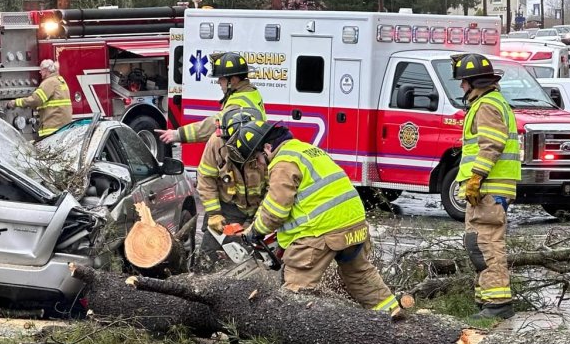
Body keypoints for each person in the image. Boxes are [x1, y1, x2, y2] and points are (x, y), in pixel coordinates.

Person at [233, 120, 401, 314]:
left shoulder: (283, 162)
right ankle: (394, 319)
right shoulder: (305, 150)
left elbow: (276, 211)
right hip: (354, 224)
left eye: (257, 159)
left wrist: (255, 231)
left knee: (296, 291)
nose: (259, 165)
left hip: (321, 231)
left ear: (267, 148)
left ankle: (294, 337)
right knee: (361, 277)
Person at [453, 53, 520, 320]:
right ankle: (486, 300)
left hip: (488, 187)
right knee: (476, 244)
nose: (461, 87)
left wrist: (476, 177)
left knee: (487, 244)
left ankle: (498, 305)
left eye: (463, 82)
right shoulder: (487, 103)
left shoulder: (487, 106)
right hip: (485, 189)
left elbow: (491, 144)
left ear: (474, 82)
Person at [197, 108, 267, 265]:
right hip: (228, 207)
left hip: (258, 209)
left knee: (256, 261)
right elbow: (206, 178)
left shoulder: (264, 147)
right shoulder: (216, 143)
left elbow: (273, 191)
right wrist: (214, 213)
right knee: (208, 258)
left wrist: (256, 222)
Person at [158, 52, 264, 145]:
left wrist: (178, 134)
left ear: (233, 80)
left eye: (221, 78)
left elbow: (214, 125)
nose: (218, 82)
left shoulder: (238, 102)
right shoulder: (250, 91)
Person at [8, 59, 71, 139]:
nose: (40, 72)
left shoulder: (49, 82)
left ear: (46, 70)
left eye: (41, 70)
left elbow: (36, 100)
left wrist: (16, 102)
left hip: (53, 128)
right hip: (62, 126)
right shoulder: (60, 81)